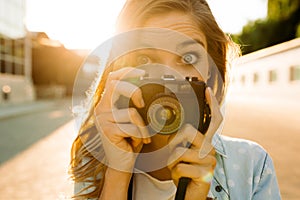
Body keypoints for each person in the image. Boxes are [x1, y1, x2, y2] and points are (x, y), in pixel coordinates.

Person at [69, 0, 281, 199]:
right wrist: (117, 175)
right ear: (122, 69)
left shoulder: (252, 165)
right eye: (145, 59)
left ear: (210, 67)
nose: (169, 80)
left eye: (188, 58)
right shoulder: (92, 165)